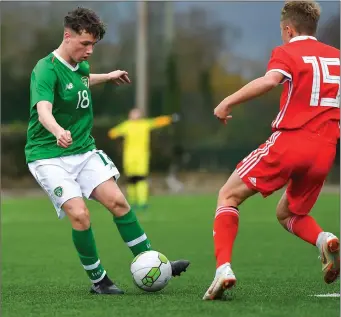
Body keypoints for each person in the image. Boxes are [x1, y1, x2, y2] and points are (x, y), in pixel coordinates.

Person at [25, 7, 189, 295]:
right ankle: (98, 280)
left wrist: (108, 76)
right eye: (84, 44)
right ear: (67, 36)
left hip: (83, 151)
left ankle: (153, 262)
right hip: (48, 156)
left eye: (93, 45)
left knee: (118, 202)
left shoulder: (82, 66)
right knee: (80, 215)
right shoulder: (45, 69)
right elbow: (43, 111)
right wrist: (57, 130)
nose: (89, 51)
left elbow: (80, 81)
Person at [203, 0, 340, 300]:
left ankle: (223, 268)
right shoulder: (337, 57)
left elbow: (269, 81)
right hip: (326, 150)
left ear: (288, 30)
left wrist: (227, 102)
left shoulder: (287, 52)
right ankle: (324, 239)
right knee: (289, 212)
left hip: (291, 142)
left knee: (228, 195)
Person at [108, 108, 180, 210]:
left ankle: (142, 202)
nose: (134, 115)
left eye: (136, 113)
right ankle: (132, 201)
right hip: (129, 157)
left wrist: (170, 119)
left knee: (141, 179)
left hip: (142, 157)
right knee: (131, 180)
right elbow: (112, 133)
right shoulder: (127, 125)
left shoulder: (144, 124)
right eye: (133, 113)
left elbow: (158, 122)